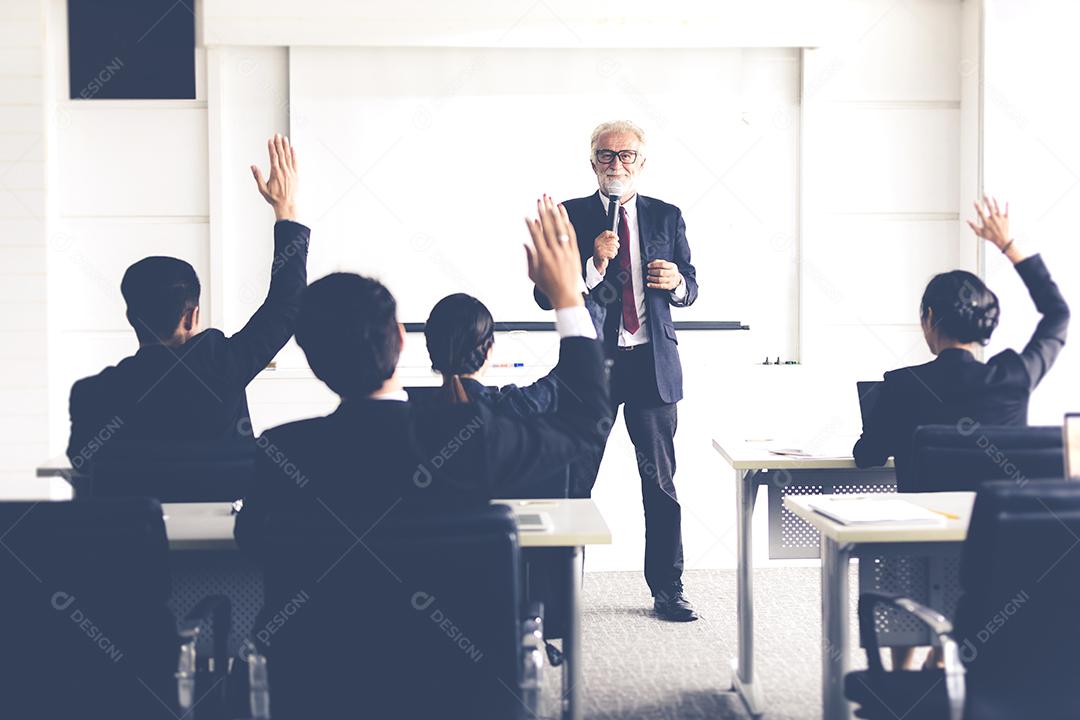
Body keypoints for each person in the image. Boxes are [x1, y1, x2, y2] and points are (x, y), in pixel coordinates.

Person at [235, 196, 608, 545]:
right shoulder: (472, 440)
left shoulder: (281, 453)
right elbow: (586, 427)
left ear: (315, 365)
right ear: (401, 338)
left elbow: (251, 541)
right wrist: (568, 297)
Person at [534, 120, 699, 621]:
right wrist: (593, 265)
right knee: (573, 482)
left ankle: (668, 589)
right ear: (593, 163)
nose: (616, 164)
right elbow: (544, 294)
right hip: (592, 371)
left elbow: (692, 287)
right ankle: (559, 597)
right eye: (606, 155)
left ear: (641, 163)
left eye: (626, 155)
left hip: (652, 366)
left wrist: (676, 283)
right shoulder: (569, 215)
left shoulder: (667, 216)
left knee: (660, 486)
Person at [66, 135, 308, 472]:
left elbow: (83, 468)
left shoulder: (92, 395)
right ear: (192, 316)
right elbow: (287, 307)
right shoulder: (223, 367)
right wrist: (286, 210)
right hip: (224, 509)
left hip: (141, 509)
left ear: (131, 317)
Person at [853, 196, 1069, 475]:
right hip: (993, 506)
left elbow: (868, 456)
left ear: (929, 317)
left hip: (926, 507)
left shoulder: (901, 385)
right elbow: (1058, 314)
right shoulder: (1014, 377)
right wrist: (1008, 246)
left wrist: (879, 421)